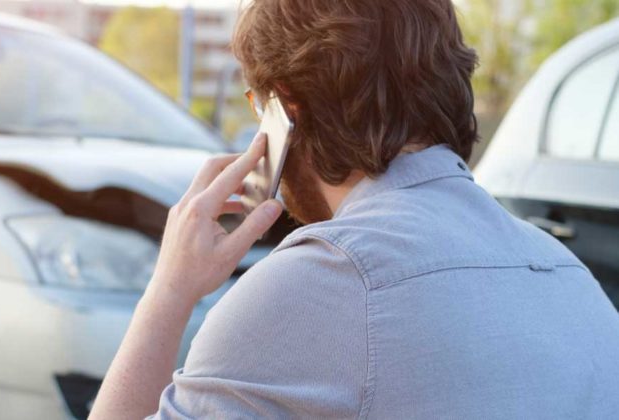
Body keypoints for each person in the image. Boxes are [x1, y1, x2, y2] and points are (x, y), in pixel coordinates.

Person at [90, 1, 619, 418]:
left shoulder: (319, 281)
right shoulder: (572, 278)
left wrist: (169, 291)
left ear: (284, 110)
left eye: (257, 107)